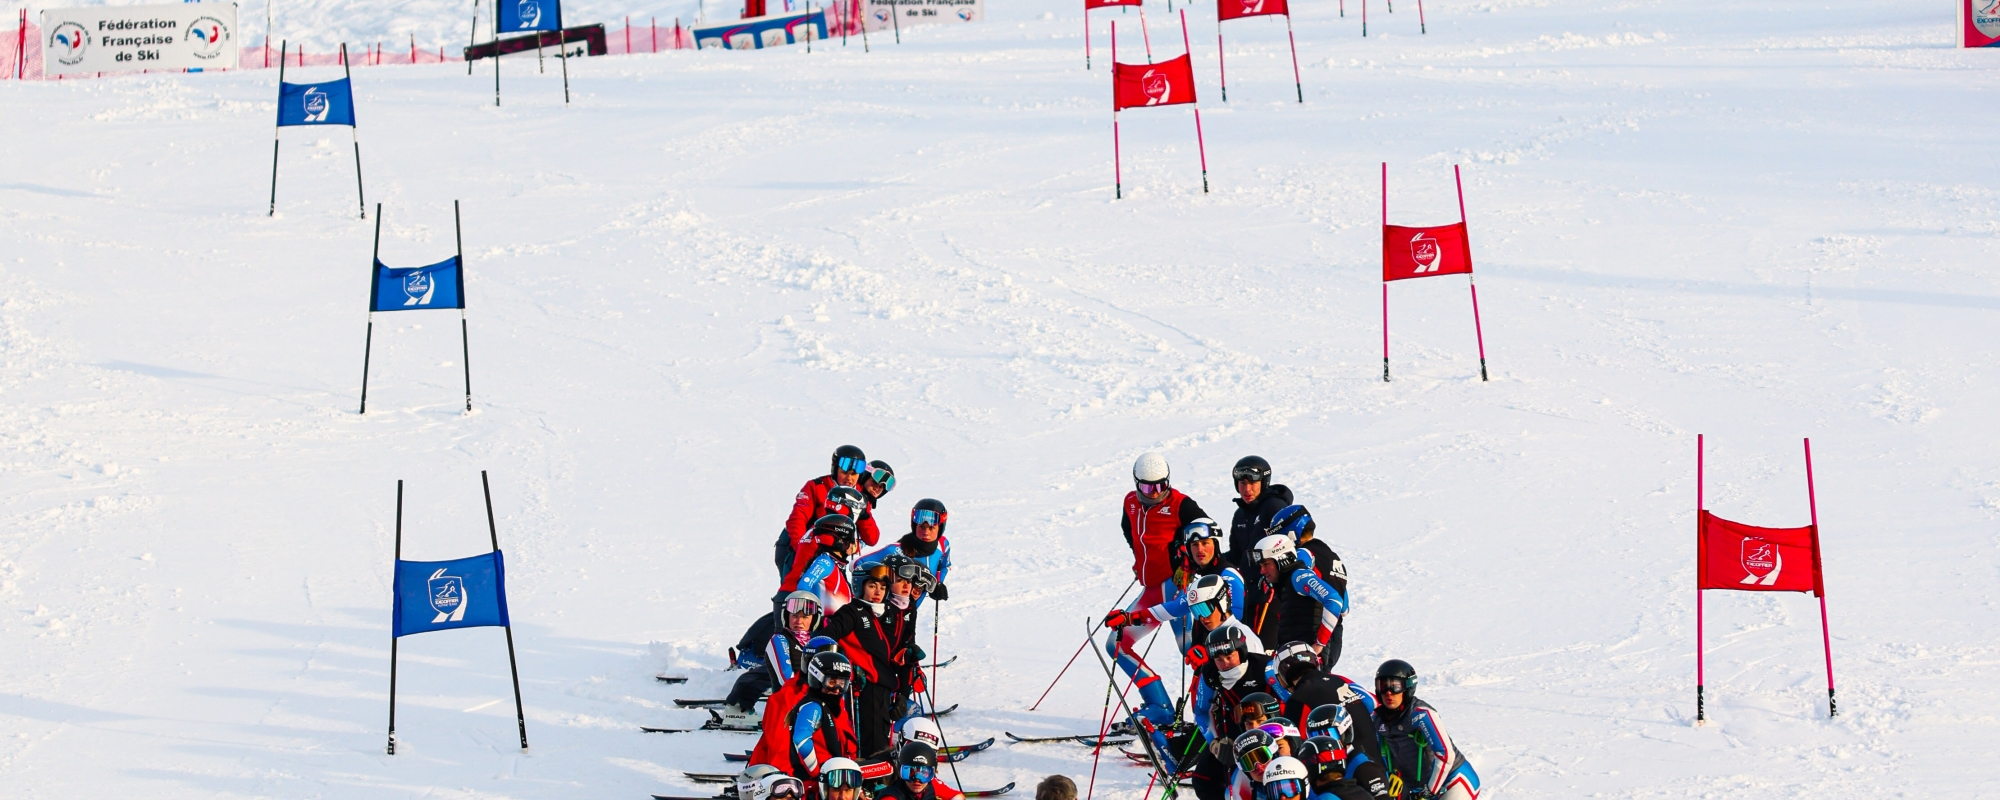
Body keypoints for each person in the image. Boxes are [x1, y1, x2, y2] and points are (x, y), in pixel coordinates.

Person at [1106, 453, 1209, 728]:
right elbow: (1129, 531)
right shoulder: (1130, 502)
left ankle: (1214, 715)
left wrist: (1187, 562)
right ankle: (1158, 705)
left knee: (1194, 653)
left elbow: (1207, 534)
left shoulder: (1180, 504)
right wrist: (1141, 561)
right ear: (1137, 483)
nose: (1155, 493)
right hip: (1151, 590)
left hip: (1176, 591)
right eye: (1148, 488)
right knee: (1116, 644)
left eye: (1161, 485)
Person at [819, 561, 907, 757]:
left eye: (883, 587)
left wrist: (903, 690)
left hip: (885, 689)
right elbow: (825, 637)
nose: (878, 592)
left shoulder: (888, 614)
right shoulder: (852, 612)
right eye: (872, 586)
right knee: (872, 744)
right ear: (859, 585)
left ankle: (878, 777)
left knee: (881, 739)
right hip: (864, 688)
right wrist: (844, 664)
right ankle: (870, 781)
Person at [1371, 660, 1479, 800]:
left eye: (1395, 686)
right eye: (1383, 686)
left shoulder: (1421, 714)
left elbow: (1445, 755)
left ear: (1408, 687)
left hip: (1453, 781)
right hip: (1417, 790)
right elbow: (1378, 755)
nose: (1388, 693)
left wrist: (1428, 792)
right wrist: (1390, 775)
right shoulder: (1377, 719)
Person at [1189, 626, 1275, 800]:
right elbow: (1200, 711)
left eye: (1229, 657)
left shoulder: (1266, 667)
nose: (1225, 664)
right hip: (1232, 735)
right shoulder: (1210, 673)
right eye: (1219, 659)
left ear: (1241, 652)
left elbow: (1286, 702)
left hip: (1268, 732)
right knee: (1202, 780)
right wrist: (1214, 743)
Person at [750, 650, 860, 781]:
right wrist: (817, 773)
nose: (837, 689)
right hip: (815, 779)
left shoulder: (834, 706)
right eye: (832, 682)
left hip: (834, 773)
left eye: (842, 684)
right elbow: (800, 739)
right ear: (817, 679)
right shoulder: (813, 706)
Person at [722, 591, 829, 725]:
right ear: (786, 616)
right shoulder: (780, 639)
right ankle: (738, 705)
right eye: (794, 615)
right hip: (787, 710)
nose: (799, 621)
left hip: (807, 706)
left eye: (805, 616)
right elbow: (787, 679)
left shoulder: (814, 642)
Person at [776, 446, 881, 579]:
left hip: (832, 554)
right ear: (835, 469)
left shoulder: (858, 495)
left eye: (854, 474)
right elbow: (797, 520)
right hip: (797, 547)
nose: (849, 478)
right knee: (795, 590)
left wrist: (864, 515)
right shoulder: (816, 487)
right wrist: (803, 552)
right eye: (844, 472)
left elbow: (871, 538)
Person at [1270, 643, 1381, 767]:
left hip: (1344, 773)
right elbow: (1371, 702)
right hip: (1377, 763)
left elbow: (1296, 747)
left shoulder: (1298, 699)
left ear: (1282, 676)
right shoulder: (1339, 680)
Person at [1267, 506, 1350, 668]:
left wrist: (1319, 643)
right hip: (1335, 634)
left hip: (1314, 633)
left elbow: (1300, 580)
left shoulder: (1302, 554)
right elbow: (1345, 608)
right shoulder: (1334, 558)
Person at [1244, 535, 1346, 664]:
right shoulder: (1285, 583)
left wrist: (1319, 644)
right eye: (1260, 566)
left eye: (1266, 564)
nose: (1262, 571)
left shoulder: (1299, 576)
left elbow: (1334, 601)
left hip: (1307, 661)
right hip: (1295, 657)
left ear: (1282, 560)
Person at [856, 499, 954, 608]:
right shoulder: (894, 550)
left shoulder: (943, 545)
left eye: (931, 528)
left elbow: (946, 566)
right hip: (886, 612)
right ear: (914, 526)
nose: (926, 532)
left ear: (940, 529)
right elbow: (858, 564)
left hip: (911, 612)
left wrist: (937, 584)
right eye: (921, 527)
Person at [1227, 457, 1294, 572]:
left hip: (1272, 581)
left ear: (1263, 483)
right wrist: (1209, 562)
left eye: (1252, 483)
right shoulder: (1239, 515)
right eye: (1242, 483)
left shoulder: (1274, 506)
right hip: (1250, 585)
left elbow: (1291, 547)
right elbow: (1236, 556)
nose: (1247, 489)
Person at [874, 741, 964, 800]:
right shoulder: (891, 797)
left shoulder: (933, 785)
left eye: (923, 773)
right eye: (910, 772)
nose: (917, 780)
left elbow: (958, 796)